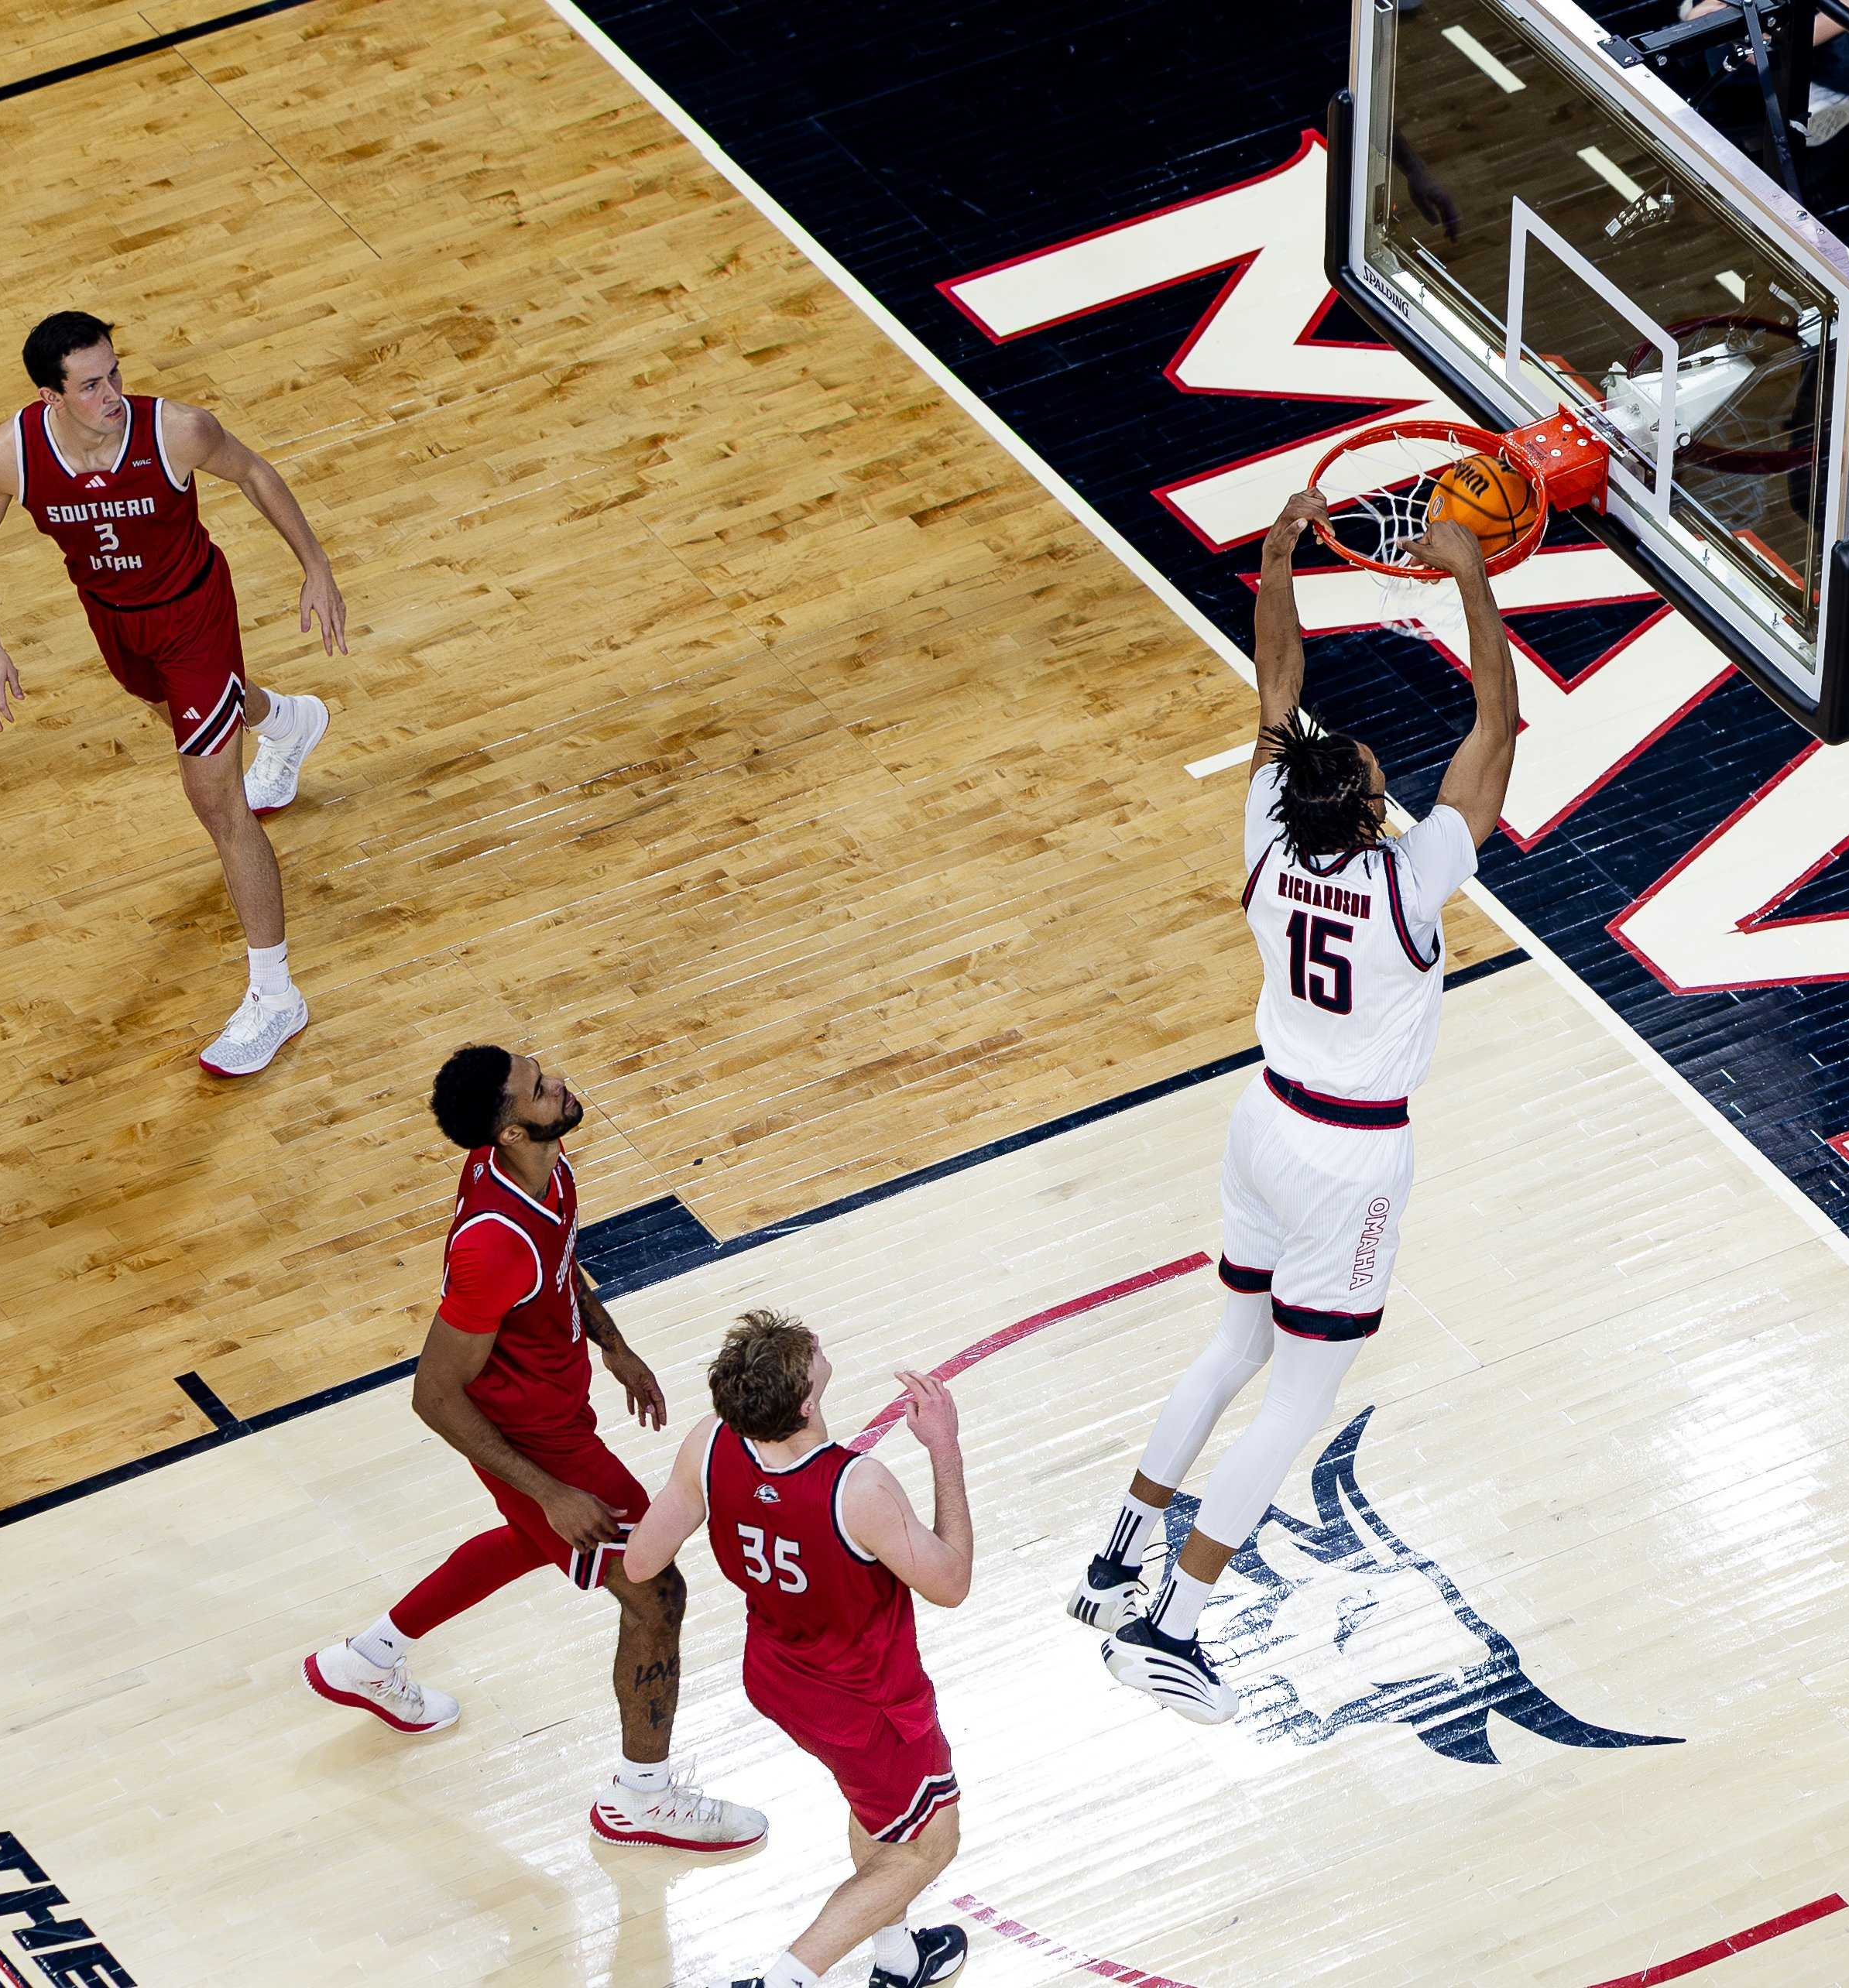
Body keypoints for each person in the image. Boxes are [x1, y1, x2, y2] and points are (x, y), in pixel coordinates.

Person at [1069, 492, 1518, 1722]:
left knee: (1231, 1345)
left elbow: (1276, 688)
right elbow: (1497, 726)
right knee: (1302, 1398)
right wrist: (1471, 573)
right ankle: (1173, 1624)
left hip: (1261, 1120)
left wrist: (1273, 561)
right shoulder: (1412, 880)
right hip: (1348, 1159)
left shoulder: (1270, 834)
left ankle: (1117, 1559)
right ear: (1368, 803)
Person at [301, 1044, 767, 1856]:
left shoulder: (548, 1165)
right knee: (655, 1591)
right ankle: (640, 1799)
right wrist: (547, 1487)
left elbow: (558, 1265)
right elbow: (435, 1394)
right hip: (530, 1439)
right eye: (540, 1087)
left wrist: (611, 1344)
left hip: (560, 1409)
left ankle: (367, 1659)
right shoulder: (489, 1246)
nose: (560, 1083)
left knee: (533, 1545)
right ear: (511, 1130)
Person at [0, 313, 342, 1077]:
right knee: (180, 711)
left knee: (216, 801)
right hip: (115, 621)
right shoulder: (12, 455)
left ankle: (275, 996)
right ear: (50, 395)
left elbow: (256, 471)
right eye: (91, 384)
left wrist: (316, 566)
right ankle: (288, 723)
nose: (113, 394)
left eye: (115, 373)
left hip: (194, 614)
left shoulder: (177, 432)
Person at [620, 1313, 974, 1988]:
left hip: (779, 1676)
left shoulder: (712, 1443)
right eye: (808, 1352)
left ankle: (899, 1959)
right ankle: (786, 1980)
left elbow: (640, 1562)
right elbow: (951, 1583)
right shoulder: (857, 1487)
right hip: (867, 1700)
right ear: (806, 1401)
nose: (815, 1342)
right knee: (927, 1846)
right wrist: (944, 1450)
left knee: (877, 1809)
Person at [1675, 0, 1849, 146]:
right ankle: (1813, 88)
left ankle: (1830, 91)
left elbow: (1847, 13)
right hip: (1790, 25)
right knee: (1714, 42)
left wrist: (1773, 42)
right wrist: (1707, 12)